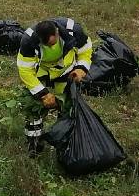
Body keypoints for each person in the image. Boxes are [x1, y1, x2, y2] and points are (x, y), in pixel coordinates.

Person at [16, 17, 93, 157]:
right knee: (33, 106)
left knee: (68, 106)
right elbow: (25, 70)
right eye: (47, 45)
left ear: (57, 33)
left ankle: (66, 141)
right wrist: (42, 94)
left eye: (53, 43)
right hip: (41, 73)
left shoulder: (73, 30)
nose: (51, 47)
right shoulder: (28, 40)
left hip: (66, 71)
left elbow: (85, 50)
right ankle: (34, 144)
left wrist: (81, 68)